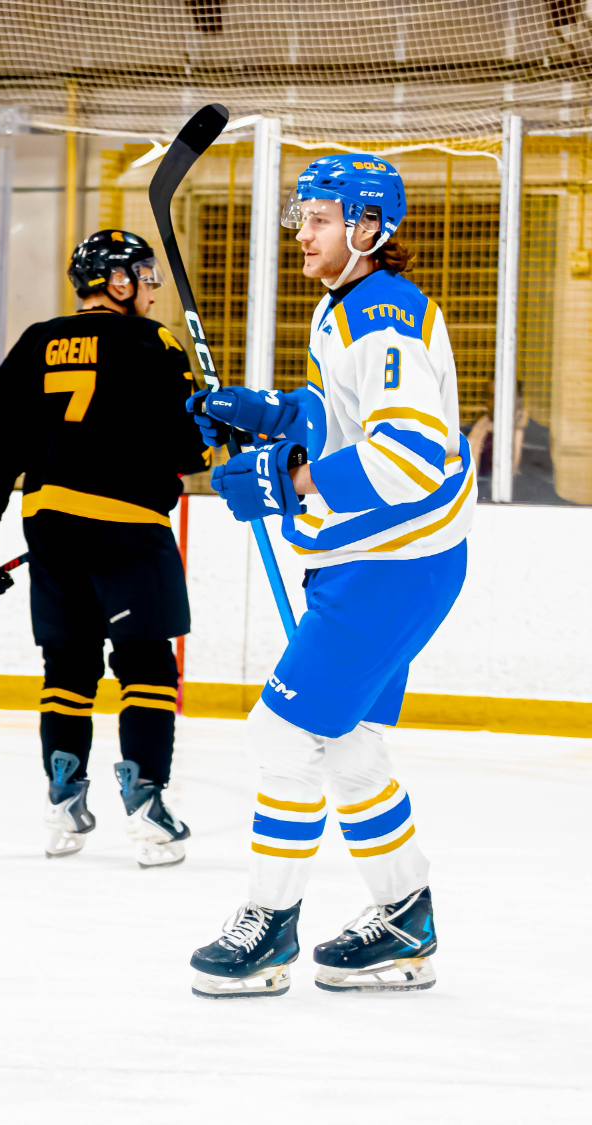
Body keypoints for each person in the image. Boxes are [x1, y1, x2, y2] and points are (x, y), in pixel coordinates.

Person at [186, 155, 468, 998]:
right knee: (346, 745)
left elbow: (410, 454)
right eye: (300, 216)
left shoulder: (382, 317)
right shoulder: (346, 307)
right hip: (383, 564)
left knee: (280, 735)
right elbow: (341, 417)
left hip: (390, 567)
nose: (300, 232)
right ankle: (404, 916)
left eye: (317, 217)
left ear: (368, 226)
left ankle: (269, 928)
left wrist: (289, 479)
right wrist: (273, 414)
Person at [0, 230, 208, 867]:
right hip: (128, 528)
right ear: (117, 282)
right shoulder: (156, 343)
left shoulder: (35, 342)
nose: (150, 287)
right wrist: (217, 428)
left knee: (68, 669)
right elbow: (188, 451)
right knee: (147, 667)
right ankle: (148, 809)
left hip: (50, 528)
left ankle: (63, 803)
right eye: (143, 276)